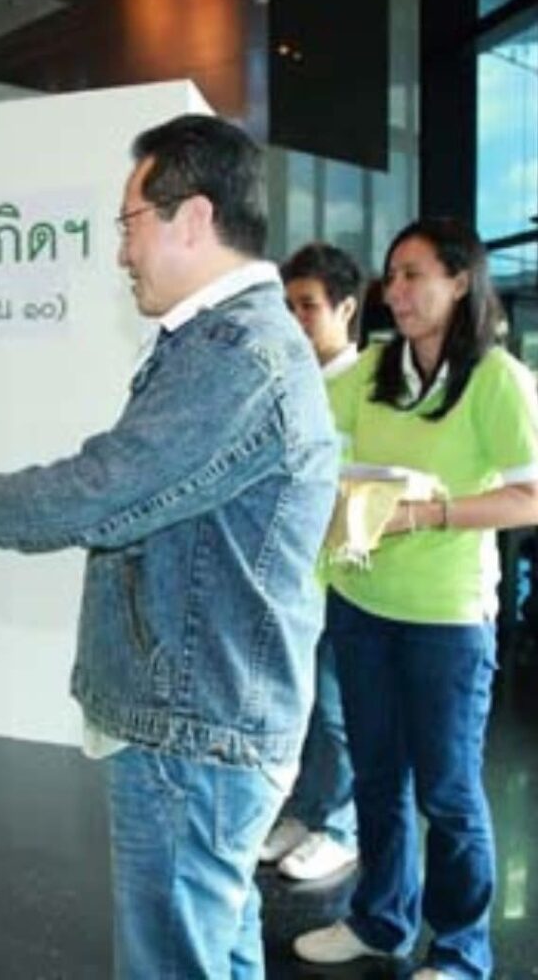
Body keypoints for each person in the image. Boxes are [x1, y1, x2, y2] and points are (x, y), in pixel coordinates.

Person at [0, 114, 338, 978]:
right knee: (216, 949)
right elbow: (136, 486)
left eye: (129, 223)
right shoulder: (229, 344)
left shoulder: (238, 353)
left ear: (192, 217)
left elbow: (104, 491)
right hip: (210, 722)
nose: (120, 252)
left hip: (195, 735)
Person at [294, 218, 538, 978]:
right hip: (362, 605)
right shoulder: (373, 369)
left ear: (459, 281)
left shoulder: (496, 379)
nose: (394, 291)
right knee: (376, 778)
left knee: (448, 793)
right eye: (390, 276)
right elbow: (302, 431)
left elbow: (530, 497)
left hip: (446, 621)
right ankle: (381, 920)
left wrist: (429, 513)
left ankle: (462, 951)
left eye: (412, 275)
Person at [259, 242, 363, 881]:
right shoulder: (285, 383)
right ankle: (304, 811)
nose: (296, 320)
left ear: (346, 309)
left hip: (346, 580)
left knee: (337, 712)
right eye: (288, 306)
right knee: (299, 709)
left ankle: (342, 827)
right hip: (291, 576)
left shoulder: (370, 386)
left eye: (309, 306)